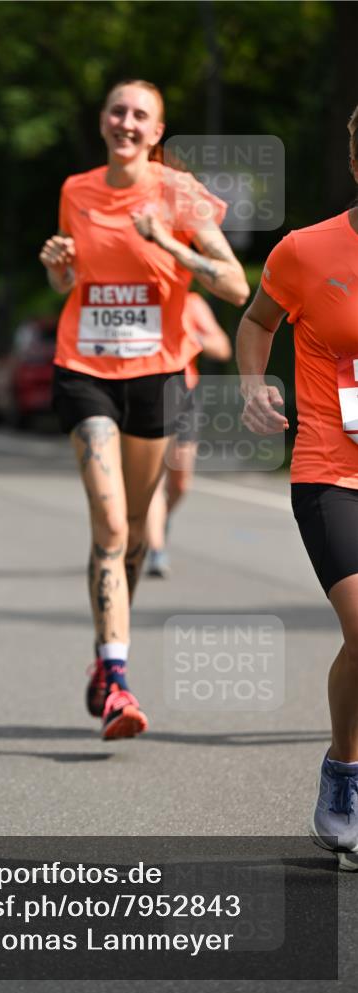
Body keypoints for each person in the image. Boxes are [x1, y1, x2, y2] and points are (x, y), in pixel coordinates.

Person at [39, 79, 249, 740]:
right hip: (85, 369)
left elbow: (236, 285)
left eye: (140, 115)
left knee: (133, 531)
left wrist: (170, 244)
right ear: (103, 121)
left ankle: (105, 658)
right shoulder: (77, 190)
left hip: (156, 375)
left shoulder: (178, 194)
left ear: (156, 133)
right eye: (116, 111)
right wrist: (57, 269)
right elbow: (71, 279)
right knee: (108, 523)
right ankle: (117, 681)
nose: (125, 122)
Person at [237, 106, 358, 870]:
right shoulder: (305, 250)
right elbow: (256, 323)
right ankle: (345, 776)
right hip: (330, 469)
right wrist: (254, 386)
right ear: (355, 160)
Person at [146, 290, 232, 577]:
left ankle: (162, 519)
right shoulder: (140, 298)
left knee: (180, 481)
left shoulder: (191, 302)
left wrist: (192, 338)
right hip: (145, 395)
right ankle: (156, 550)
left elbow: (222, 347)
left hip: (183, 395)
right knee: (153, 479)